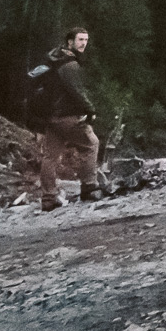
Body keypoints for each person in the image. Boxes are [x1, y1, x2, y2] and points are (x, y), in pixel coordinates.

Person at [31, 27, 106, 211]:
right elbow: (77, 91)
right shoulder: (70, 64)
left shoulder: (54, 61)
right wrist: (91, 110)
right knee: (91, 143)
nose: (83, 44)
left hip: (51, 117)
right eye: (80, 40)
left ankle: (48, 199)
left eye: (86, 40)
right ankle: (89, 187)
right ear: (70, 42)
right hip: (67, 116)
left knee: (50, 157)